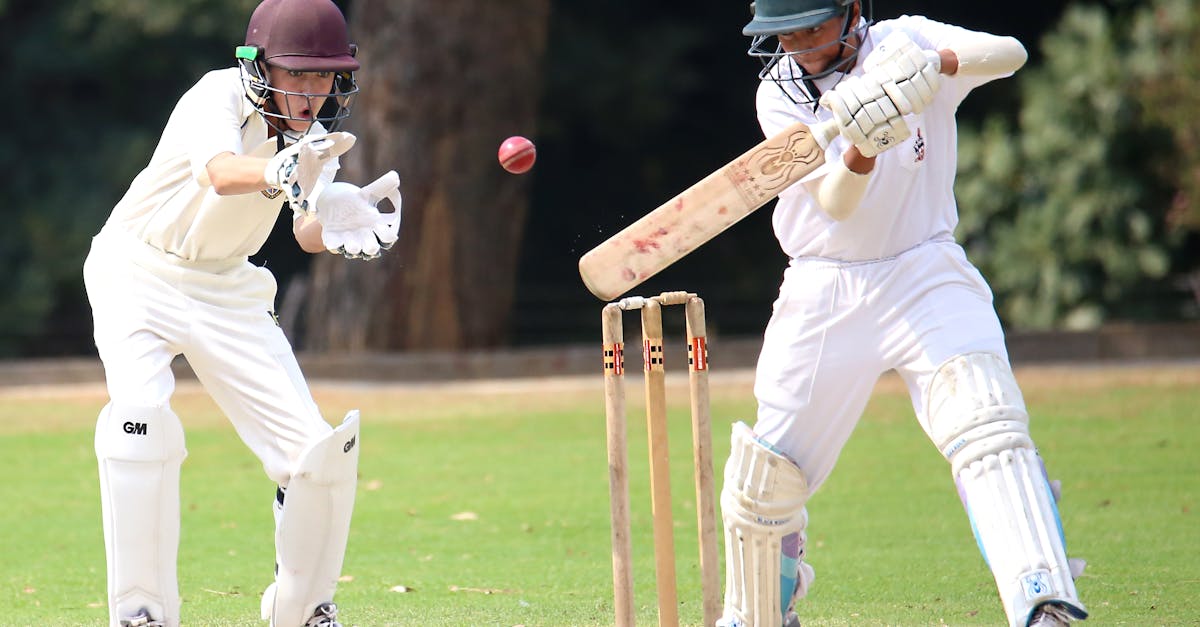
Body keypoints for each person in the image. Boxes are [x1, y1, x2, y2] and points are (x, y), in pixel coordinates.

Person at [716, 1, 1088, 626]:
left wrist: (930, 65)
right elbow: (835, 203)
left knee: (987, 424)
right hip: (824, 288)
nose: (800, 47)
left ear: (853, 12)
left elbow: (1010, 53)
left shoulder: (907, 37)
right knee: (767, 476)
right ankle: (755, 616)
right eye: (786, 36)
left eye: (813, 28)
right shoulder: (778, 98)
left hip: (924, 269)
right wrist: (861, 146)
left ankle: (1042, 602)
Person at [82, 0, 402, 625]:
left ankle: (303, 608)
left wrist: (341, 217)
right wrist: (282, 169)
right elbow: (222, 174)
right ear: (259, 68)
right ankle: (141, 610)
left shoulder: (316, 137)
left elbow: (307, 224)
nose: (313, 94)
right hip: (136, 270)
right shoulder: (214, 96)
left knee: (316, 456)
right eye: (299, 75)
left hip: (228, 287)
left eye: (324, 76)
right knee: (139, 422)